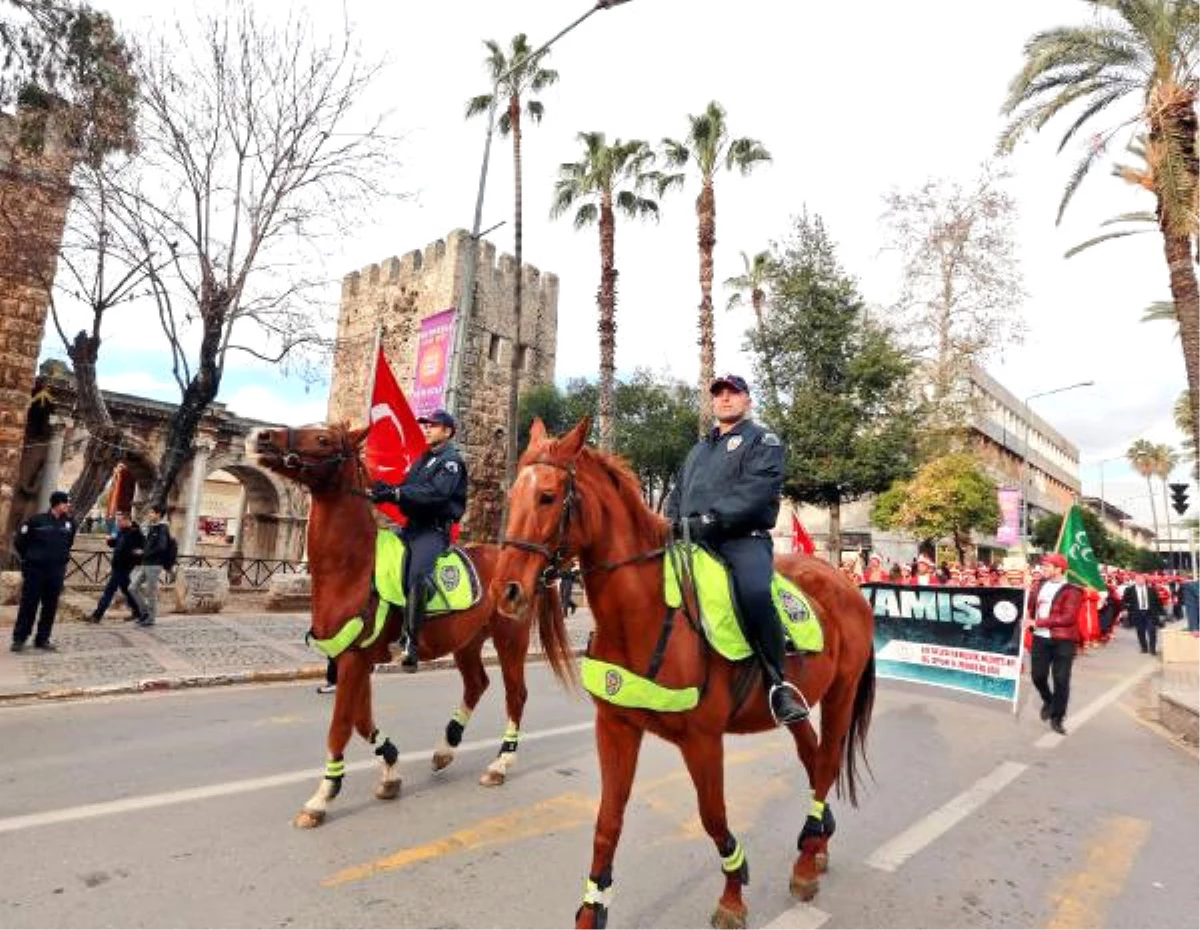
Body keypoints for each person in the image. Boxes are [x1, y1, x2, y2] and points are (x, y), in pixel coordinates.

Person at [666, 373, 807, 725]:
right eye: (719, 394)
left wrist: (710, 521)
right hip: (690, 541)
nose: (725, 399)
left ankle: (779, 684)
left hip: (742, 539)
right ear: (712, 402)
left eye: (733, 393)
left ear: (747, 400)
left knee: (756, 593)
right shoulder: (699, 449)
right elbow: (677, 492)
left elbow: (755, 492)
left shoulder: (763, 441)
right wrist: (667, 522)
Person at [369, 409, 468, 671]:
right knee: (379, 564)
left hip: (433, 531)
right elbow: (410, 488)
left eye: (433, 426)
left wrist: (397, 493)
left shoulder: (451, 462)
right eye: (426, 425)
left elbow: (435, 494)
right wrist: (384, 492)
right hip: (411, 527)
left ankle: (411, 642)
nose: (427, 429)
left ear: (447, 431)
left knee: (416, 576)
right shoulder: (423, 460)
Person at [11, 490, 76, 652]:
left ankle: (42, 638)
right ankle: (20, 638)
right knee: (29, 604)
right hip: (35, 570)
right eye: (66, 502)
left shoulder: (69, 524)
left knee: (50, 605)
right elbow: (20, 542)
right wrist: (30, 558)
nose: (68, 506)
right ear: (57, 503)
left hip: (56, 571)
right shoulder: (36, 521)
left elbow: (68, 543)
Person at [1026, 552, 1083, 735]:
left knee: (1061, 679)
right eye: (1042, 566)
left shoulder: (1073, 590)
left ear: (1059, 569)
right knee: (1038, 676)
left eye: (1047, 566)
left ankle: (1058, 717)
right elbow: (1029, 606)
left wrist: (1038, 623)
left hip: (1063, 640)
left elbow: (1068, 617)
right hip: (1040, 639)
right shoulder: (1038, 585)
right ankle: (1048, 700)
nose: (1042, 569)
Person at [89, 511, 145, 623]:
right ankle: (138, 612)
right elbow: (117, 544)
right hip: (117, 565)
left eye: (119, 521)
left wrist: (138, 553)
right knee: (127, 591)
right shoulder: (122, 532)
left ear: (127, 520)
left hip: (125, 566)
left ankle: (97, 615)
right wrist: (110, 541)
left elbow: (144, 547)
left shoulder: (136, 533)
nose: (117, 523)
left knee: (109, 591)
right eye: (117, 521)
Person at [130, 504, 174, 627]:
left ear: (158, 514)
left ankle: (151, 618)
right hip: (146, 563)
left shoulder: (162, 528)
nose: (149, 515)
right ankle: (144, 613)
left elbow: (162, 547)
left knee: (151, 592)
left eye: (151, 513)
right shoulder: (152, 527)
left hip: (154, 565)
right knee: (132, 588)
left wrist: (145, 552)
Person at [1122, 572, 1164, 655]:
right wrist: (1125, 609)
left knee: (1152, 630)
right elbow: (1125, 601)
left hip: (1150, 613)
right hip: (1137, 613)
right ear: (1135, 580)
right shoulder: (1130, 590)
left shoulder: (1151, 590)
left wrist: (1161, 613)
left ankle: (1152, 649)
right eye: (1138, 579)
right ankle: (1144, 647)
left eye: (1142, 579)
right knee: (1140, 631)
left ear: (1145, 580)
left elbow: (1158, 602)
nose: (1140, 581)